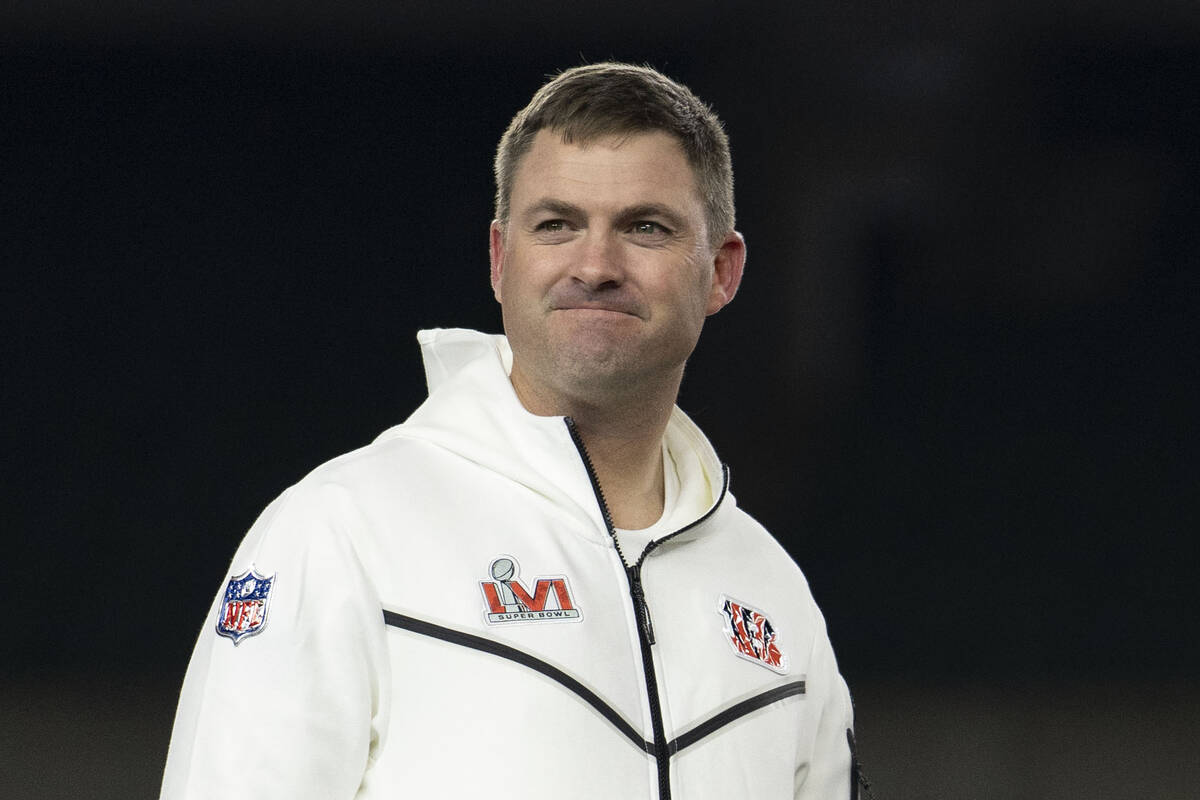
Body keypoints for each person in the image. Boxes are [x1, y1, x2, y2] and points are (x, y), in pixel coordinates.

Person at [161, 62, 860, 799]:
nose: (595, 265)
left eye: (645, 227)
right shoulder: (342, 531)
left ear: (721, 271)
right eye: (557, 225)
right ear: (500, 261)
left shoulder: (774, 592)